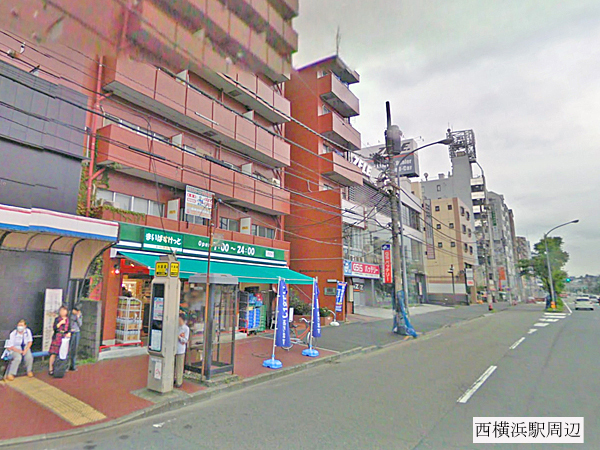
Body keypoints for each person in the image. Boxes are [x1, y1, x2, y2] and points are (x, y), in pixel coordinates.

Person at [48, 306, 70, 376]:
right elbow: (54, 328)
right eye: (61, 310)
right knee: (54, 353)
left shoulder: (68, 319)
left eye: (64, 310)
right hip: (57, 337)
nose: (62, 312)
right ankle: (50, 368)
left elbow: (69, 329)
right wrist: (60, 323)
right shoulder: (57, 319)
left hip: (64, 338)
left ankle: (61, 368)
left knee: (63, 354)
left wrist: (69, 333)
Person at [175, 314, 189, 388]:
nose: (178, 321)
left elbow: (185, 340)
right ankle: (174, 378)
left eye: (180, 320)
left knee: (179, 366)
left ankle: (179, 381)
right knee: (174, 365)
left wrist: (179, 338)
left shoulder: (186, 329)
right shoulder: (176, 327)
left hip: (180, 349)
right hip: (174, 349)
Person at [68, 305, 83, 371]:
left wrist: (77, 317)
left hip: (77, 332)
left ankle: (73, 365)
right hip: (70, 332)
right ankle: (66, 365)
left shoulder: (79, 315)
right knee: (68, 348)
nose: (76, 312)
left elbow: (80, 324)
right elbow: (69, 323)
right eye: (75, 310)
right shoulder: (69, 314)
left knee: (74, 349)